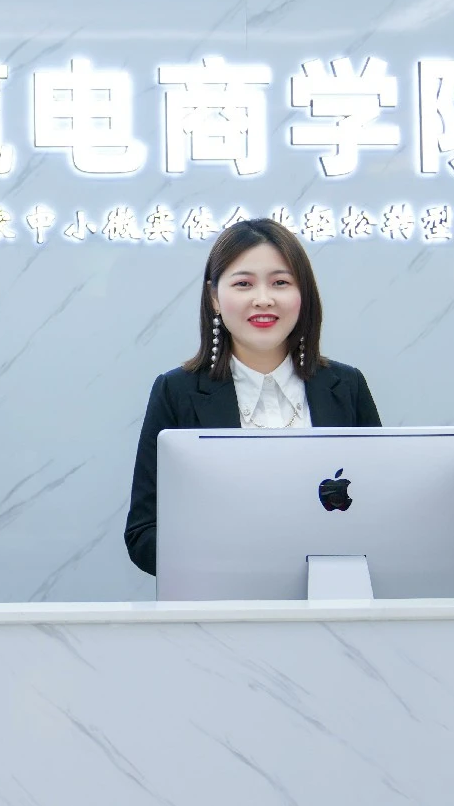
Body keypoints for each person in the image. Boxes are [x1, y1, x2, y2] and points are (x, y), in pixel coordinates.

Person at [123, 216, 381, 574]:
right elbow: (143, 534)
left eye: (280, 283)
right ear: (214, 297)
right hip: (221, 598)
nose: (263, 299)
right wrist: (229, 557)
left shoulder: (346, 386)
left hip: (332, 594)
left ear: (303, 294)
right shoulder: (177, 391)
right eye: (243, 284)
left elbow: (379, 510)